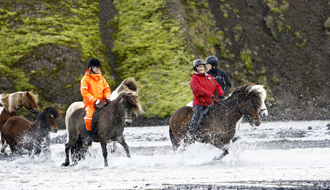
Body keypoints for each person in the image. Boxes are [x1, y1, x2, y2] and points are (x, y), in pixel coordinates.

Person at [188, 59, 225, 141]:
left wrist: (221, 94)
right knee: (197, 115)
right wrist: (210, 94)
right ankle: (191, 134)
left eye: (202, 66)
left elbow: (217, 85)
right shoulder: (194, 78)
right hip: (200, 102)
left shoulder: (209, 76)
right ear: (195, 68)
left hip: (211, 101)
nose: (202, 68)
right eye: (199, 67)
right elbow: (198, 89)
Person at [80, 58, 111, 146]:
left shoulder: (102, 78)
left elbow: (107, 89)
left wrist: (107, 97)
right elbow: (84, 92)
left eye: (98, 67)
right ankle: (89, 136)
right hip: (90, 103)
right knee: (89, 117)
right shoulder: (85, 79)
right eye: (96, 67)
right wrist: (95, 101)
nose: (98, 69)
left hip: (102, 102)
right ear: (91, 67)